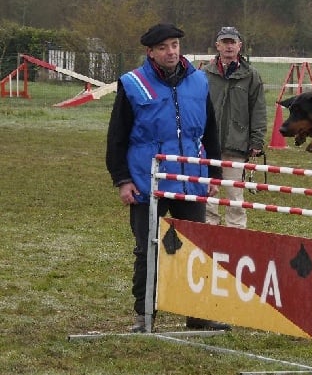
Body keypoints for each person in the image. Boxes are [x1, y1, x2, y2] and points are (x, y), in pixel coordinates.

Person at [106, 23, 230, 333]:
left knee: (196, 249)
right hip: (147, 183)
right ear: (150, 52)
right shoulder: (132, 84)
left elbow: (210, 130)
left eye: (174, 45)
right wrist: (122, 179)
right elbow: (117, 137)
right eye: (163, 47)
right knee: (148, 250)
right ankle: (144, 317)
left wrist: (214, 171)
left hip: (191, 181)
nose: (171, 52)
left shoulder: (199, 82)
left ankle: (198, 316)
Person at [202, 26, 267, 228]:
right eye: (225, 42)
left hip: (236, 145)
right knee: (207, 197)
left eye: (233, 42)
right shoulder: (204, 74)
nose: (229, 46)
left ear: (240, 46)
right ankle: (208, 234)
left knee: (235, 198)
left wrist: (257, 140)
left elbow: (258, 109)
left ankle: (236, 236)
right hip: (207, 145)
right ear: (217, 45)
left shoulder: (251, 76)